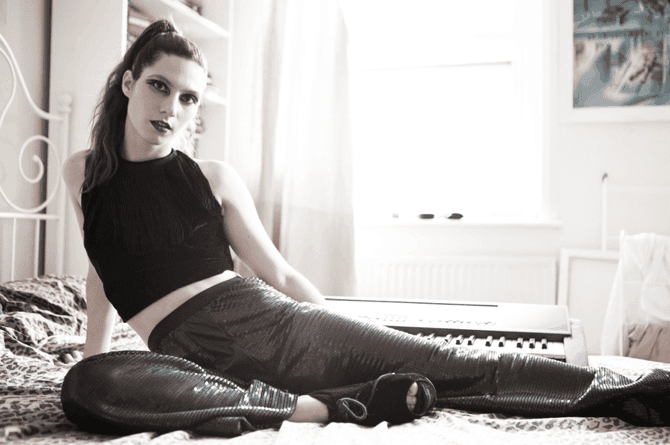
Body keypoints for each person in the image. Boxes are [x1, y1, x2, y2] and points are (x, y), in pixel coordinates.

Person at [61, 19, 670, 438]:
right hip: (190, 364)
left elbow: (279, 274)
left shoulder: (211, 177)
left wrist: (339, 323)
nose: (172, 108)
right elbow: (102, 269)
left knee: (454, 364)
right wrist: (92, 351)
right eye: (160, 87)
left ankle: (634, 387)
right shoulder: (82, 174)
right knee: (87, 385)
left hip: (275, 328)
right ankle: (320, 408)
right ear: (128, 83)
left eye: (189, 98)